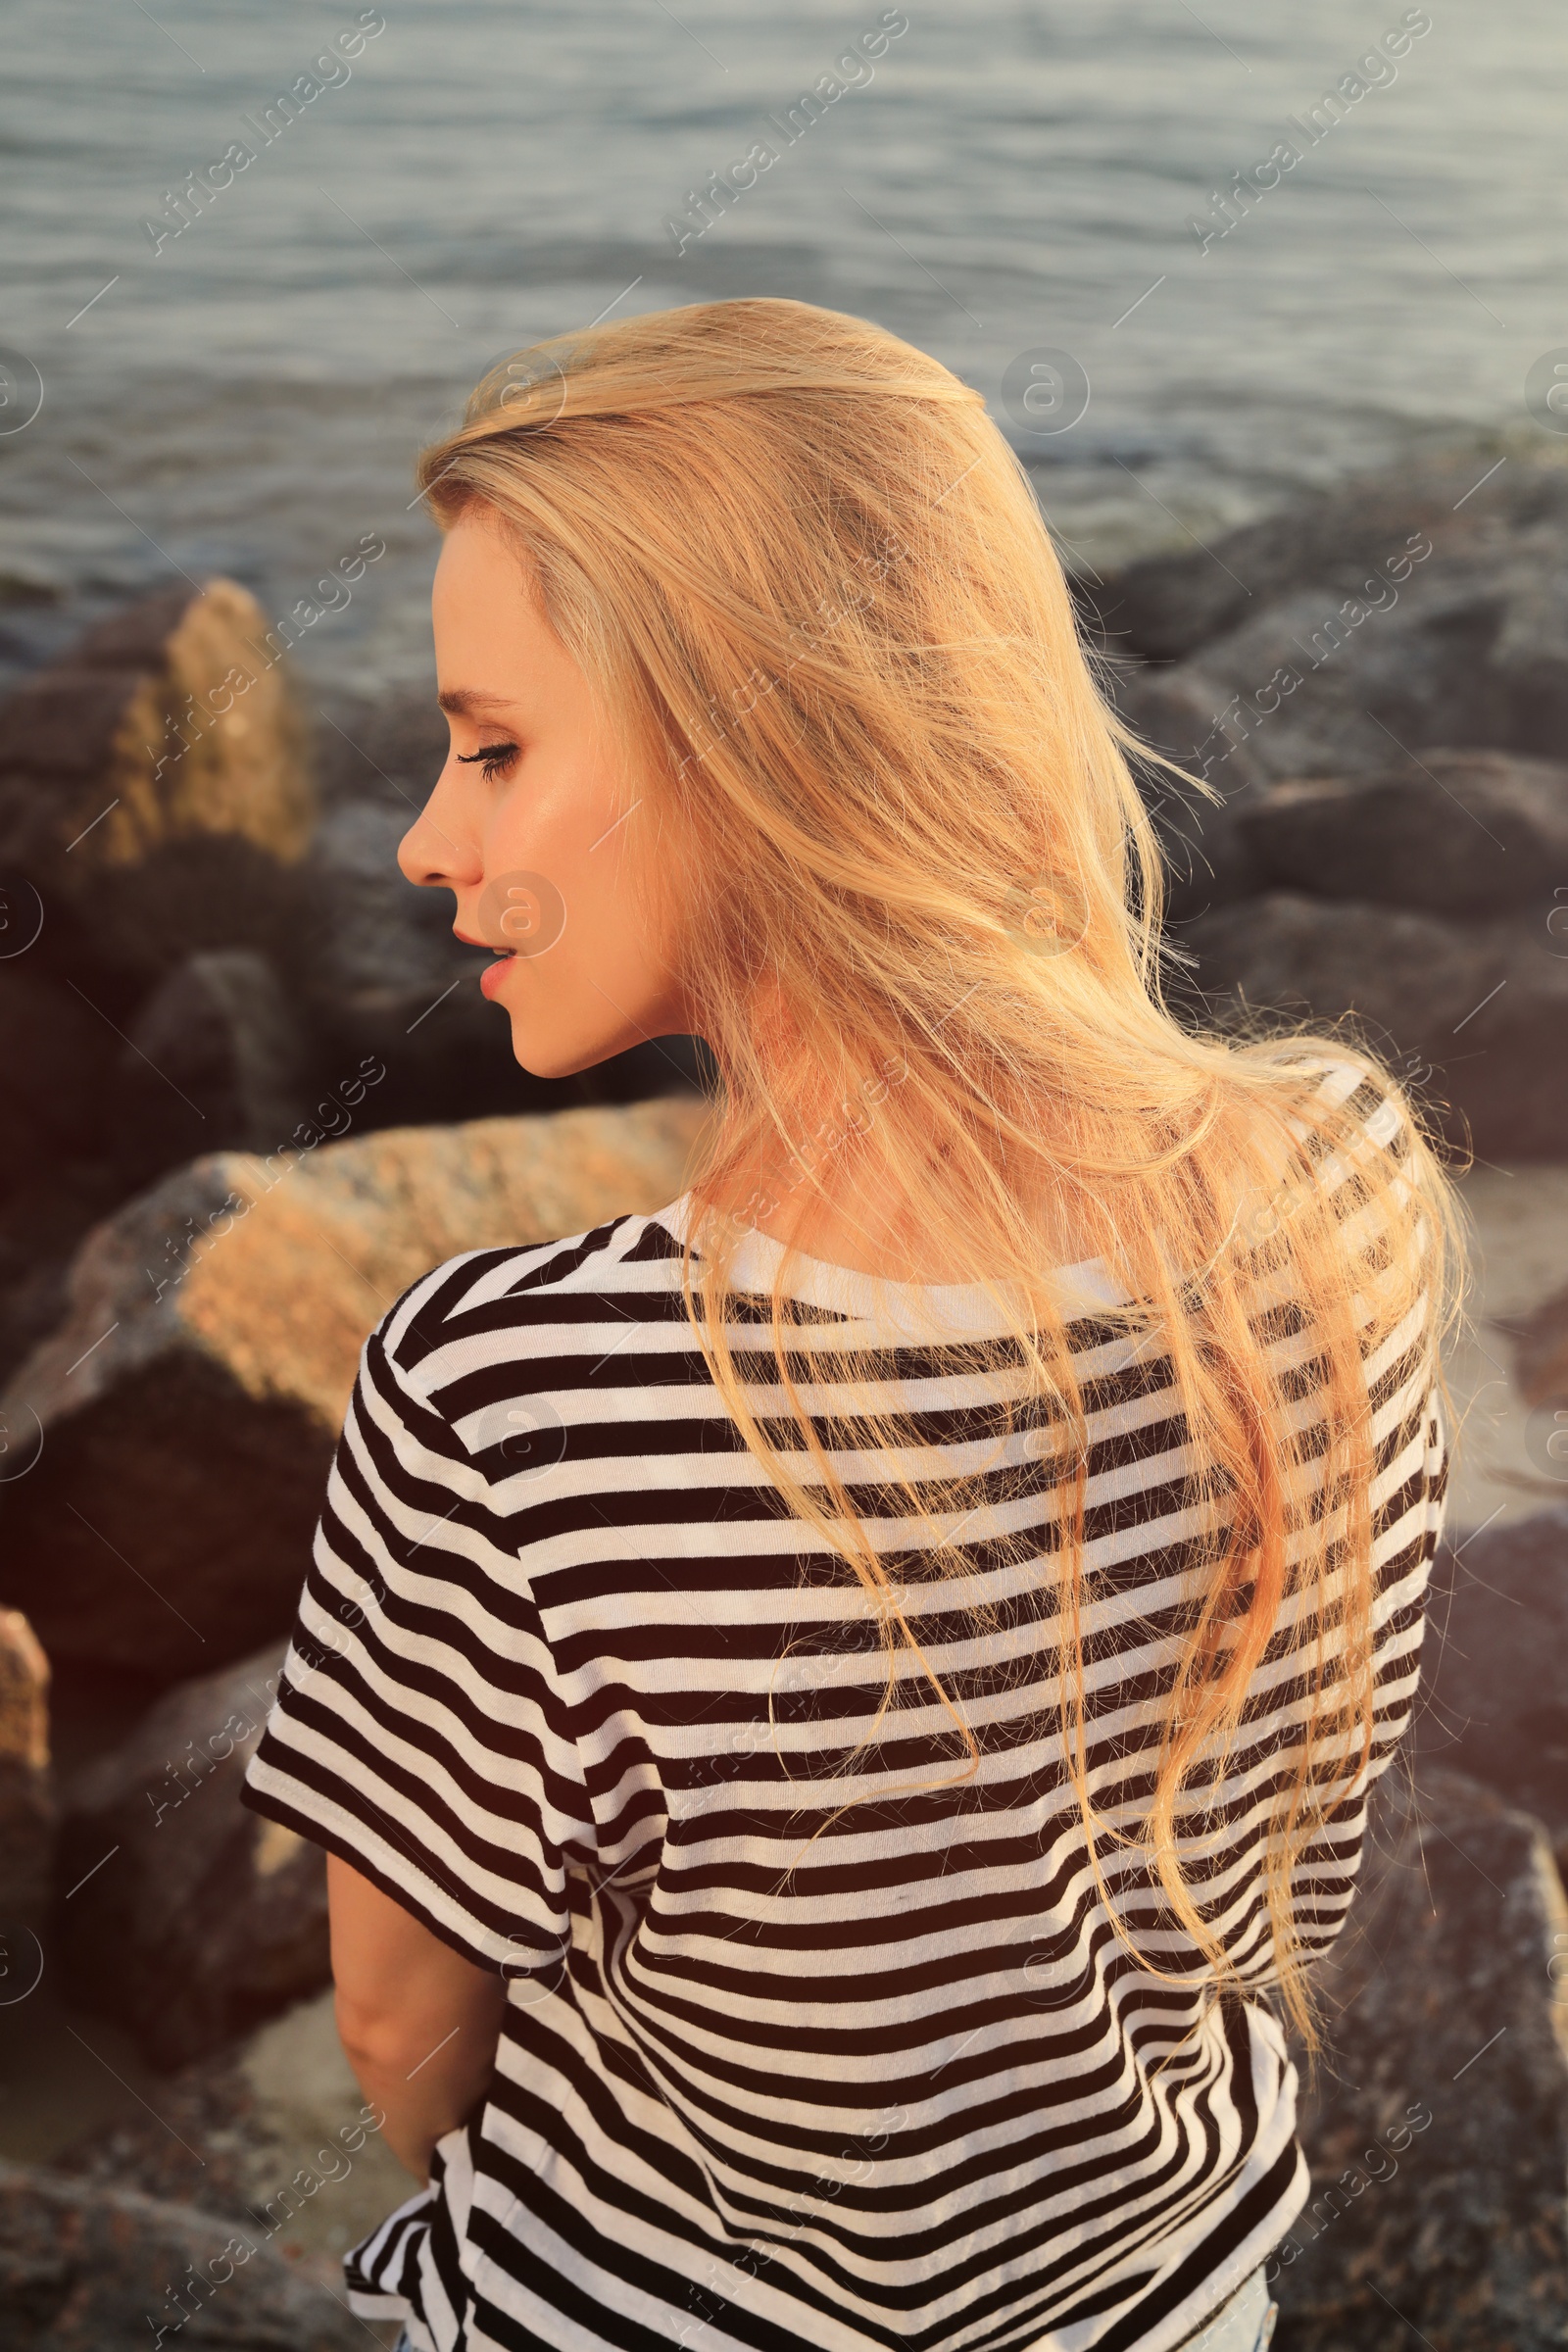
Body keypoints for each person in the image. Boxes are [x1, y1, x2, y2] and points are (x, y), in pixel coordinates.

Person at [240, 297, 1461, 2352]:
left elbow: (399, 2024)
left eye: (498, 747)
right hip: (1170, 2304)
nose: (424, 841)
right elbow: (1290, 1847)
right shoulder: (1339, 1178)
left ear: (756, 752)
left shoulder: (509, 1400)